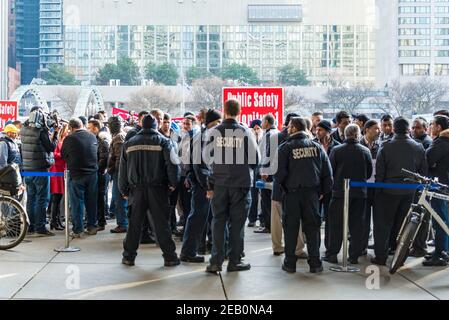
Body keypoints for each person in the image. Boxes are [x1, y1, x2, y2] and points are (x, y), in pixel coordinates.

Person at [205, 99, 259, 273]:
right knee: (237, 224)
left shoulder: (214, 132)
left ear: (224, 111)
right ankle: (234, 261)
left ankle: (215, 261)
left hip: (219, 184)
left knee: (218, 222)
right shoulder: (244, 132)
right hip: (240, 184)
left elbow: (206, 159)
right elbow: (255, 160)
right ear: (240, 112)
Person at [119, 115, 181, 267]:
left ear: (141, 124)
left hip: (136, 190)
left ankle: (128, 256)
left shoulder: (129, 144)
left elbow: (123, 170)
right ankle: (170, 257)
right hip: (158, 189)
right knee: (161, 224)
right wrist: (173, 183)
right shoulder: (164, 142)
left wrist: (124, 190)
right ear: (156, 125)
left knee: (134, 225)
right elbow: (173, 165)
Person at [274, 117, 333, 273]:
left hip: (292, 194)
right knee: (313, 229)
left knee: (291, 229)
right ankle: (315, 264)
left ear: (294, 128)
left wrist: (282, 190)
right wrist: (321, 193)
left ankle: (290, 263)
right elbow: (328, 174)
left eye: (289, 127)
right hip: (312, 195)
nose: (287, 129)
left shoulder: (285, 148)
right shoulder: (317, 147)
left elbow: (278, 175)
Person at [372, 117, 427, 265]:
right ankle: (399, 257)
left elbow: (380, 173)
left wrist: (377, 193)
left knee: (382, 225)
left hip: (388, 191)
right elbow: (423, 171)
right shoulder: (418, 147)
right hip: (410, 192)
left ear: (394, 129)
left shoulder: (385, 146)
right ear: (408, 129)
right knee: (403, 226)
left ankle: (381, 256)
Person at [324, 124, 373, 264]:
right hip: (359, 193)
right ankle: (354, 256)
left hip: (339, 192)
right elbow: (369, 173)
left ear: (345, 135)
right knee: (357, 225)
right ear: (358, 135)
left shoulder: (336, 150)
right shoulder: (365, 151)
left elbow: (330, 170)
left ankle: (332, 253)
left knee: (336, 224)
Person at [181, 109, 222, 263]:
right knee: (197, 218)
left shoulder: (203, 135)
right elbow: (200, 166)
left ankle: (193, 250)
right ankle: (188, 252)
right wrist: (208, 186)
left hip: (203, 183)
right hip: (203, 186)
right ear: (214, 122)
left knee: (203, 218)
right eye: (219, 122)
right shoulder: (204, 137)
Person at [21, 107, 59, 236]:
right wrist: (56, 133)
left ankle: (31, 226)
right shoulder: (40, 131)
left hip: (27, 169)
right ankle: (40, 227)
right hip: (40, 169)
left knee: (31, 198)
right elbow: (51, 147)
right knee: (42, 198)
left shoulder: (23, 128)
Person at [61, 118, 99, 238]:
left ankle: (78, 229)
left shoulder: (70, 138)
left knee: (77, 202)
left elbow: (63, 155)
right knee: (91, 201)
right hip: (93, 173)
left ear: (71, 128)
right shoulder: (92, 136)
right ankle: (92, 226)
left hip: (77, 174)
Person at [422, 115, 449, 266]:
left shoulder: (441, 142)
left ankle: (440, 254)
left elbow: (428, 160)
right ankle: (442, 249)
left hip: (440, 185)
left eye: (432, 124)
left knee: (440, 219)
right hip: (445, 184)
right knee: (443, 218)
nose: (430, 127)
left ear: (439, 127)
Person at [313, 119, 340, 251]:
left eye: (320, 130)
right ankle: (315, 247)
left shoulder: (337, 147)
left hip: (331, 188)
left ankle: (330, 248)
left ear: (328, 132)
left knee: (331, 220)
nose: (317, 132)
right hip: (315, 188)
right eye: (316, 130)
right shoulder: (311, 145)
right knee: (314, 219)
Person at [255, 114, 279, 234]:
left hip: (268, 172)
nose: (261, 124)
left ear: (267, 122)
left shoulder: (270, 134)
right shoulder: (273, 133)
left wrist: (265, 171)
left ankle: (268, 225)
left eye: (263, 121)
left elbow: (268, 153)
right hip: (271, 171)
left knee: (266, 199)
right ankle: (270, 224)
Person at [359, 120, 381, 254]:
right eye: (375, 128)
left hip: (377, 187)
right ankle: (362, 246)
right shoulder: (359, 145)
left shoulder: (381, 146)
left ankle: (378, 246)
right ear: (366, 129)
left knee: (379, 220)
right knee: (363, 219)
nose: (378, 131)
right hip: (363, 187)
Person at [87, 119, 111, 231]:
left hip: (100, 174)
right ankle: (99, 220)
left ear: (96, 128)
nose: (88, 130)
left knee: (100, 198)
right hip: (98, 172)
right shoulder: (96, 139)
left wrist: (97, 170)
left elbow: (104, 158)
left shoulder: (102, 140)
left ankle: (101, 222)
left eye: (90, 128)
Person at [108, 116, 128, 233]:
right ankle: (123, 222)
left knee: (119, 198)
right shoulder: (118, 136)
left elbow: (120, 158)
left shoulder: (119, 137)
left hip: (119, 173)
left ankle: (123, 223)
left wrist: (114, 170)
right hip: (118, 172)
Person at [48, 123, 69, 231]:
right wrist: (64, 155)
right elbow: (54, 155)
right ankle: (54, 221)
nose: (68, 131)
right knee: (56, 197)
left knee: (59, 197)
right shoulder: (57, 141)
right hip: (56, 170)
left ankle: (57, 221)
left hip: (61, 169)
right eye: (66, 130)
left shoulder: (64, 141)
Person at [248, 119, 263, 228]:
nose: (257, 130)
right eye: (254, 129)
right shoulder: (249, 139)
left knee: (263, 196)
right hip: (253, 170)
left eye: (258, 128)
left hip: (262, 170)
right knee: (253, 196)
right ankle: (252, 218)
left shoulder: (265, 138)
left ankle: (262, 219)